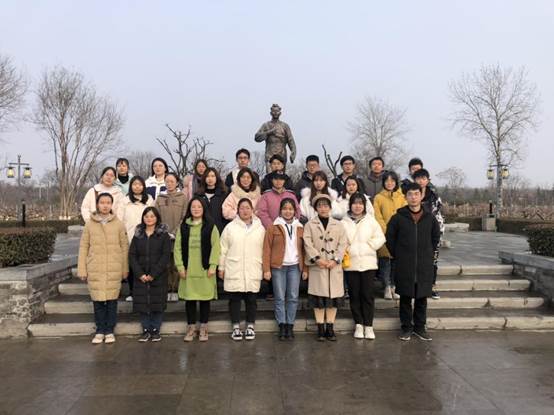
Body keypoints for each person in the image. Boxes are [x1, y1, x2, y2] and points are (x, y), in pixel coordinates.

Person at [386, 182, 441, 342]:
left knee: (421, 299)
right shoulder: (397, 218)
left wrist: (427, 253)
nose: (413, 197)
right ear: (405, 197)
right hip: (405, 265)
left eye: (416, 194)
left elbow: (435, 237)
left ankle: (419, 327)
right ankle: (406, 328)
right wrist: (399, 254)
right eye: (410, 194)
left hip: (424, 265)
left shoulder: (429, 218)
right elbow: (390, 238)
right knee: (405, 298)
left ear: (421, 196)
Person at [77, 193, 128, 344]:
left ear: (112, 205)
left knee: (112, 302)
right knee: (98, 301)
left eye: (108, 203)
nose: (105, 205)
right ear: (97, 205)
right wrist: (82, 269)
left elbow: (124, 247)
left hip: (113, 267)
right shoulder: (89, 224)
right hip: (95, 267)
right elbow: (83, 246)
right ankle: (100, 330)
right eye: (102, 202)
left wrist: (125, 268)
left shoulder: (118, 224)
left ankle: (109, 330)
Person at [219, 198, 266, 341]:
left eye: (247, 208)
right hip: (235, 267)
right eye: (242, 208)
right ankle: (236, 327)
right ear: (237, 210)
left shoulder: (260, 228)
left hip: (253, 267)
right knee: (235, 299)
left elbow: (265, 250)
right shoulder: (230, 228)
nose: (245, 211)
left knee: (251, 299)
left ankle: (250, 326)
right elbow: (223, 249)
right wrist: (221, 267)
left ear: (252, 210)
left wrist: (265, 268)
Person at [175, 197, 221, 342]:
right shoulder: (183, 227)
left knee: (204, 299)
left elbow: (216, 247)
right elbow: (177, 248)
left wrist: (213, 266)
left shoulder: (210, 226)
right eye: (193, 207)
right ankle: (191, 328)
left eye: (199, 207)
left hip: (205, 270)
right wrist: (180, 267)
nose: (196, 209)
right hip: (188, 270)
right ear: (189, 209)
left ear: (203, 209)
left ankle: (203, 328)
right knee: (190, 300)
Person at [304, 194, 348, 341]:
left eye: (325, 205)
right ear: (315, 208)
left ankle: (330, 327)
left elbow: (343, 243)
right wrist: (317, 259)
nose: (323, 208)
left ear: (330, 207)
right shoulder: (309, 225)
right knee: (319, 300)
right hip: (318, 267)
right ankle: (320, 329)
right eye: (320, 206)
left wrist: (335, 260)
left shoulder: (339, 225)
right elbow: (307, 243)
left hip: (334, 267)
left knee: (332, 299)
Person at [341, 193, 386, 340]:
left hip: (368, 264)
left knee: (367, 295)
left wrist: (370, 246)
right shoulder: (344, 222)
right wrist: (347, 249)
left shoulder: (370, 221)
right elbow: (340, 241)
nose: (357, 206)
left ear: (364, 206)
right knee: (354, 295)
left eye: (360, 203)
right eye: (355, 203)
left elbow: (380, 237)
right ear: (350, 205)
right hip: (351, 264)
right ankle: (359, 324)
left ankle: (369, 325)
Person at [262, 198, 307, 340]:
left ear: (294, 211)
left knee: (293, 297)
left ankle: (290, 325)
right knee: (280, 297)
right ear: (280, 210)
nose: (288, 211)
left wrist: (305, 269)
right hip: (278, 267)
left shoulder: (300, 227)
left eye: (290, 209)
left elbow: (305, 250)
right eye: (285, 209)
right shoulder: (273, 227)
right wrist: (266, 269)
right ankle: (282, 325)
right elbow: (266, 249)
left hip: (295, 267)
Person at [129, 207, 171, 342]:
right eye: (146, 216)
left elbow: (165, 256)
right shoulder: (138, 235)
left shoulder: (163, 235)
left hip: (158, 276)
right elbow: (132, 255)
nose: (149, 219)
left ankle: (155, 330)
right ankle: (146, 330)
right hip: (140, 276)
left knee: (157, 303)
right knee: (143, 303)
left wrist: (153, 274)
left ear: (157, 218)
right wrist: (140, 274)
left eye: (152, 216)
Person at [116, 176, 154, 302]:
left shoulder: (149, 199)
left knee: (146, 264)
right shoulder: (125, 200)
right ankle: (132, 292)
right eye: (134, 184)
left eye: (140, 184)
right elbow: (119, 220)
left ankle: (147, 291)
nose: (137, 187)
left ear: (143, 186)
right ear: (131, 186)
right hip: (129, 237)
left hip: (146, 237)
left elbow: (154, 216)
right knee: (132, 265)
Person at [155, 172, 189, 302]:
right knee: (166, 264)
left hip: (178, 236)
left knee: (176, 264)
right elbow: (156, 217)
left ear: (177, 183)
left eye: (172, 181)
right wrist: (164, 232)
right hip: (163, 236)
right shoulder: (160, 198)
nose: (169, 184)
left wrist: (175, 232)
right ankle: (168, 289)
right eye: (167, 181)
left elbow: (185, 217)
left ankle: (176, 289)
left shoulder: (183, 198)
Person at [373, 171, 407, 300]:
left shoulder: (402, 197)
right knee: (385, 262)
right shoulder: (378, 197)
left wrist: (399, 230)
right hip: (384, 234)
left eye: (392, 181)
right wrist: (387, 231)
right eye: (387, 181)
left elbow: (405, 214)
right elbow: (377, 216)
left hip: (399, 234)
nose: (389, 183)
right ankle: (386, 286)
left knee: (396, 262)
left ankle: (394, 285)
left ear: (396, 182)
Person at [413, 169, 445, 300]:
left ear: (428, 180)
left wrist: (436, 236)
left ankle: (431, 287)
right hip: (414, 235)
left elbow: (438, 216)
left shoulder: (434, 196)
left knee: (432, 262)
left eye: (423, 178)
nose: (421, 181)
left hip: (431, 234)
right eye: (418, 178)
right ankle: (416, 287)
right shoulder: (410, 194)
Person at [195, 167, 229, 233]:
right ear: (204, 178)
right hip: (202, 231)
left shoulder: (224, 194)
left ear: (217, 178)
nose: (210, 178)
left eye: (213, 176)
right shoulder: (198, 195)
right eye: (207, 176)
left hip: (220, 230)